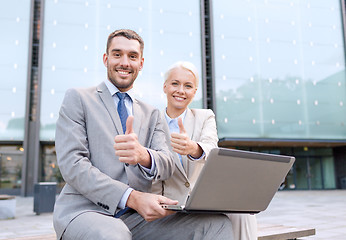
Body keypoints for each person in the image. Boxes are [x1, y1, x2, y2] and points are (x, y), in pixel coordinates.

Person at [53, 29, 233, 240]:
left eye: (132, 56)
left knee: (217, 224)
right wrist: (132, 197)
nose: (124, 62)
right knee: (114, 234)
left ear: (141, 63)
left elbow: (166, 163)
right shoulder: (79, 98)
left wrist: (143, 156)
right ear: (106, 58)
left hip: (137, 217)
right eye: (117, 54)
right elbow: (72, 165)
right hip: (86, 210)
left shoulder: (152, 113)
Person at [152, 61, 258, 240]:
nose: (181, 90)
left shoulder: (205, 116)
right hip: (170, 204)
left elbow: (211, 148)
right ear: (165, 87)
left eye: (188, 86)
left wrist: (193, 148)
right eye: (175, 83)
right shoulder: (151, 120)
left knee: (244, 214)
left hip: (202, 199)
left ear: (194, 92)